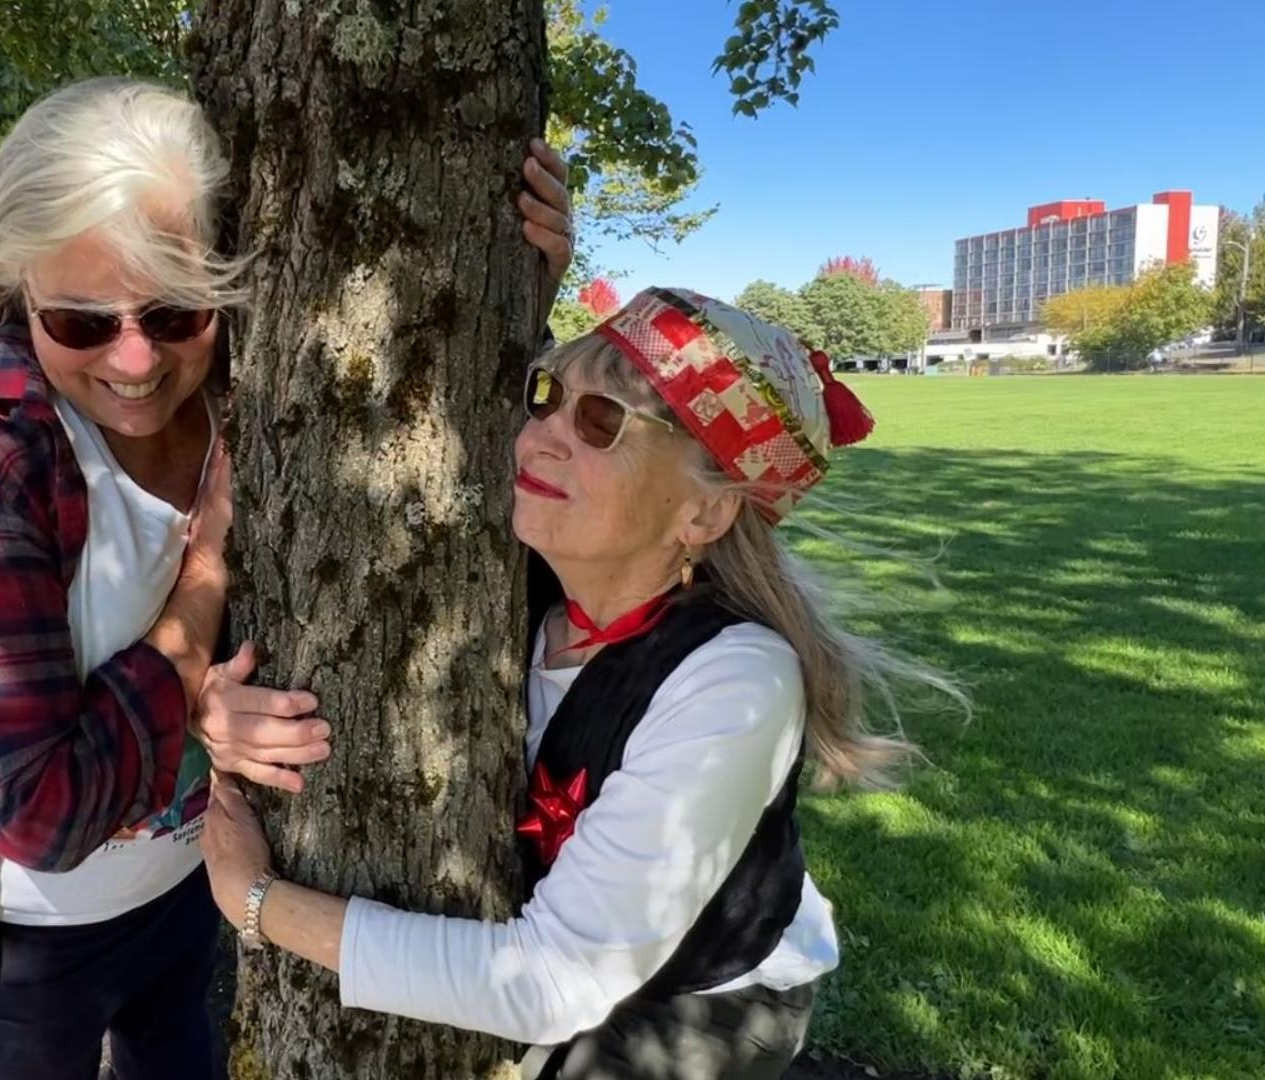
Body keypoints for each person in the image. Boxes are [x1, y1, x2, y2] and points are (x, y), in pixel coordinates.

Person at [0, 77, 575, 1080]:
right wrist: (202, 596)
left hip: (188, 883)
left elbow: (419, 435)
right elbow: (33, 811)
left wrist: (511, 294)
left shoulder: (256, 386)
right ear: (16, 287)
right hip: (21, 936)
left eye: (178, 309)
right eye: (84, 322)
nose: (139, 361)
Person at [202, 287, 961, 1080]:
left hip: (698, 1009)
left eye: (603, 421)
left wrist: (254, 899)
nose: (537, 441)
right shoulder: (499, 584)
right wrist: (216, 711)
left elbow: (554, 979)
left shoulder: (734, 683)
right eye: (546, 397)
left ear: (703, 514)